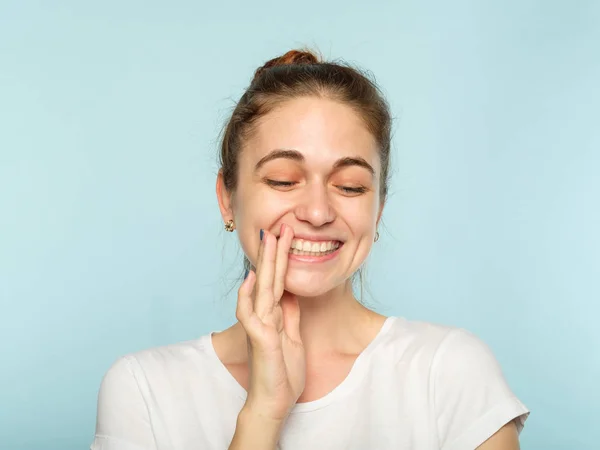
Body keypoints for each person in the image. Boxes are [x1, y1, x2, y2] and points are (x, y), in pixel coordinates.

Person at [90, 48, 530, 450]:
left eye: (350, 186)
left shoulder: (450, 372)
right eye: (283, 180)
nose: (318, 212)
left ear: (377, 210)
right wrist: (264, 411)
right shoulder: (142, 389)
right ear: (228, 198)